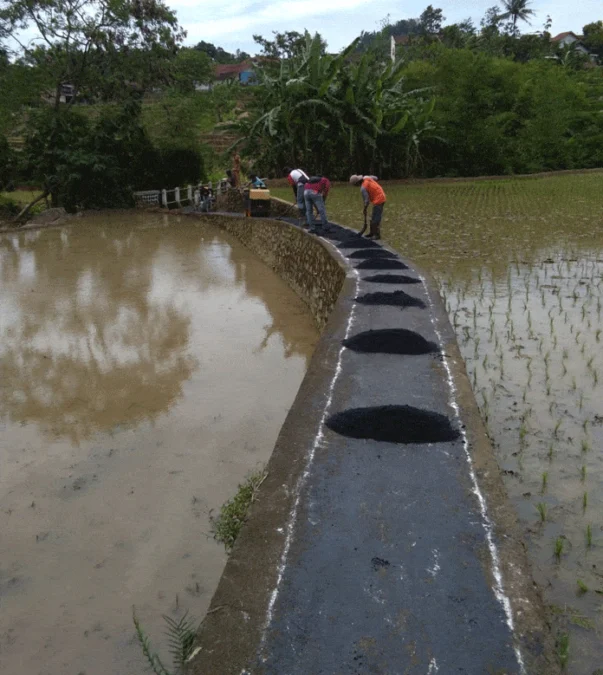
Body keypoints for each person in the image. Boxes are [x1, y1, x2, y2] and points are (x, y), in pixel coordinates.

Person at [349, 174, 386, 239]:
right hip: (380, 195)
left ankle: (377, 235)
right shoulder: (367, 177)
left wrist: (365, 209)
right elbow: (376, 177)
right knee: (372, 217)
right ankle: (372, 233)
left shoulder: (363, 188)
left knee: (375, 218)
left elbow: (366, 200)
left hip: (379, 198)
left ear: (357, 183)